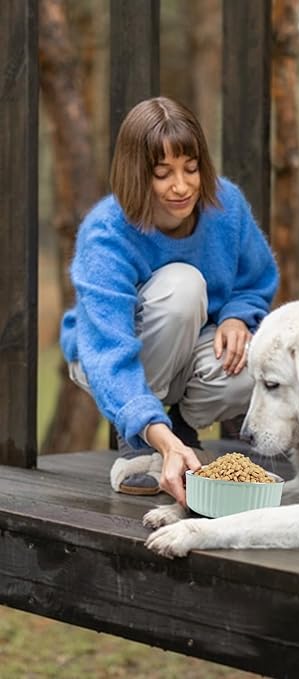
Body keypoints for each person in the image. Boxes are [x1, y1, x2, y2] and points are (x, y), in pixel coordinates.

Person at [60, 96, 279, 507]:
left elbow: (255, 281)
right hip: (107, 355)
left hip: (190, 344)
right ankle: (139, 439)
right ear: (137, 175)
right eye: (163, 174)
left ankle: (181, 428)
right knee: (183, 285)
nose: (181, 186)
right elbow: (109, 350)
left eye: (191, 169)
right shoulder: (106, 234)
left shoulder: (226, 207)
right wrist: (154, 434)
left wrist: (237, 318)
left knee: (254, 367)